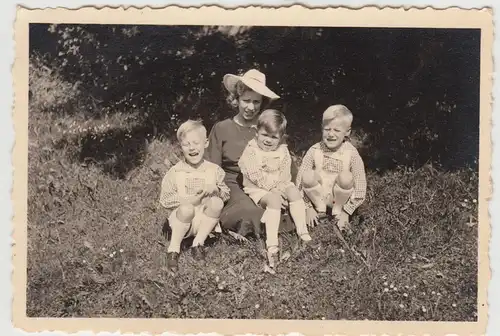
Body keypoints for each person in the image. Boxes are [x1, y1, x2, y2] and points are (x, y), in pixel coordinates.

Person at [205, 69, 296, 240]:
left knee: (289, 204)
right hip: (235, 183)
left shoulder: (267, 129)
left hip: (269, 181)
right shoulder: (222, 128)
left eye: (256, 102)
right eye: (246, 100)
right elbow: (211, 167)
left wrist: (283, 189)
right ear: (236, 99)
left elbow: (286, 162)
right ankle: (243, 227)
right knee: (250, 213)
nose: (250, 107)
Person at [238, 109, 317, 270]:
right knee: (273, 200)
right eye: (265, 135)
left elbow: (285, 173)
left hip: (279, 185)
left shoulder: (282, 151)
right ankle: (272, 245)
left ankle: (303, 232)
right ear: (256, 133)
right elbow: (255, 175)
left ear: (280, 138)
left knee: (294, 192)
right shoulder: (251, 151)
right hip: (259, 188)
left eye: (273, 137)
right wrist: (273, 190)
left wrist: (281, 188)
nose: (268, 140)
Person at [159, 119, 230, 274]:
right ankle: (173, 250)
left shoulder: (214, 170)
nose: (192, 148)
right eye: (186, 144)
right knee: (186, 209)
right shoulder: (176, 172)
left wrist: (215, 190)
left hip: (204, 220)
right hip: (183, 221)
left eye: (196, 143)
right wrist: (188, 201)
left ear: (205, 143)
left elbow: (226, 195)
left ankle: (198, 243)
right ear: (180, 147)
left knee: (217, 203)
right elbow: (165, 199)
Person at [296, 105, 367, 231]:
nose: (331, 134)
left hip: (340, 199)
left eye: (337, 130)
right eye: (327, 129)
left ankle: (338, 212)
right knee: (307, 175)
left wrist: (347, 212)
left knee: (346, 177)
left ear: (347, 132)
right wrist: (308, 208)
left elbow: (360, 185)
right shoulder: (314, 150)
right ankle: (320, 209)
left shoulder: (351, 153)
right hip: (318, 196)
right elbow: (300, 181)